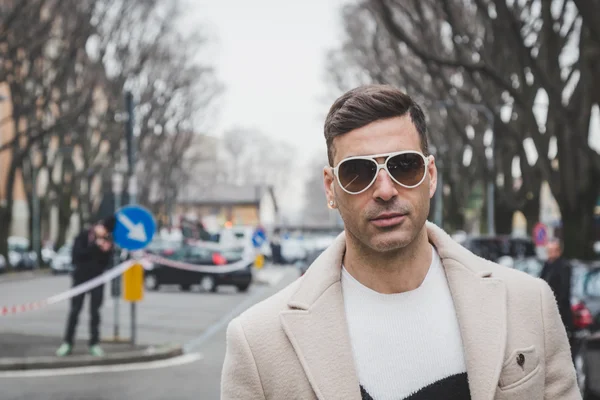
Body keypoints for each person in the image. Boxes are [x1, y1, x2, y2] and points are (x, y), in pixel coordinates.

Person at [221, 85, 580, 400]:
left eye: (404, 166)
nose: (385, 190)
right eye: (358, 172)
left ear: (431, 176)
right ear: (331, 188)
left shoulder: (528, 304)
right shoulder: (257, 342)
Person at [56, 216, 116, 357]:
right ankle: (68, 342)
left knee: (95, 313)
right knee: (75, 311)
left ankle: (94, 343)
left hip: (97, 281)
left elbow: (107, 263)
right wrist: (95, 246)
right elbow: (77, 255)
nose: (104, 233)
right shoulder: (84, 236)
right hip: (80, 280)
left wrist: (105, 250)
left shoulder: (108, 241)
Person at [540, 239, 575, 351]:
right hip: (547, 308)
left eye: (552, 250)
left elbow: (564, 290)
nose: (550, 254)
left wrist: (556, 304)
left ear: (558, 251)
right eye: (548, 251)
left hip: (560, 310)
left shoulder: (564, 266)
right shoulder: (546, 265)